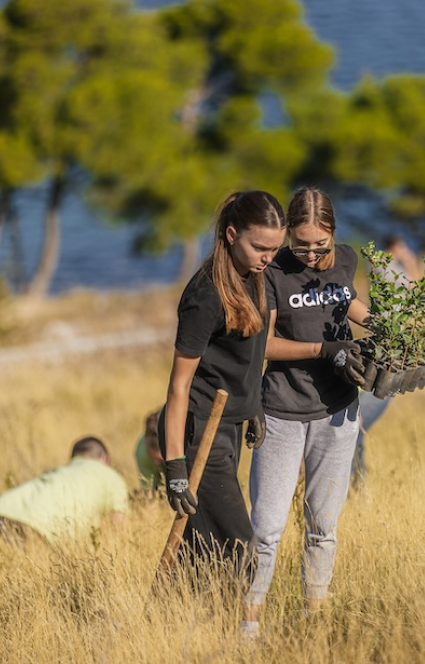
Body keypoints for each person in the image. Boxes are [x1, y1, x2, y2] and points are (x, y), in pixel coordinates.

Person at [242, 187, 369, 638]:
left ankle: (314, 619)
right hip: (282, 411)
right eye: (302, 246)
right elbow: (265, 344)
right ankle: (248, 626)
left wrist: (374, 321)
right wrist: (323, 350)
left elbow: (343, 299)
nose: (313, 255)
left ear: (335, 233)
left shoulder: (347, 258)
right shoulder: (272, 271)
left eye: (322, 245)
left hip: (338, 412)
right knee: (267, 528)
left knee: (322, 525)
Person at [158, 190, 286, 583]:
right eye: (260, 247)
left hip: (228, 427)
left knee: (203, 556)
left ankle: (179, 630)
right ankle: (241, 637)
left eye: (275, 248)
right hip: (198, 434)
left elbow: (251, 355)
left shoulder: (255, 279)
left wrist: (254, 405)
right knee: (241, 549)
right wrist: (176, 467)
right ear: (231, 234)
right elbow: (179, 387)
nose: (269, 257)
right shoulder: (205, 296)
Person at [0, 436, 130, 552]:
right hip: (31, 530)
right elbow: (120, 531)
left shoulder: (60, 472)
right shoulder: (112, 477)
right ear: (104, 458)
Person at [351, 235, 419, 488]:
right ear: (394, 246)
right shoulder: (380, 264)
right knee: (355, 429)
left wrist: (409, 262)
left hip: (394, 340)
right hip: (385, 337)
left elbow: (417, 290)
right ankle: (357, 484)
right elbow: (413, 288)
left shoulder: (394, 266)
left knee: (355, 430)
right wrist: (407, 261)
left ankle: (358, 484)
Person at [134, 408, 164, 491]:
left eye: (161, 460)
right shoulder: (142, 452)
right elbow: (149, 490)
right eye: (153, 458)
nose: (156, 463)